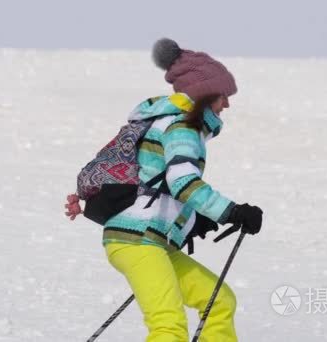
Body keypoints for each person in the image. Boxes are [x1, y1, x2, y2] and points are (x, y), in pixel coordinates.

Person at [68, 38, 263, 341]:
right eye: (223, 95)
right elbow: (183, 182)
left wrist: (194, 219)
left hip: (152, 240)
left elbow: (158, 182)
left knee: (219, 300)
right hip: (137, 240)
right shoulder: (183, 127)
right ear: (205, 94)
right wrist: (232, 211)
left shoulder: (172, 123)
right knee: (168, 326)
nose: (227, 104)